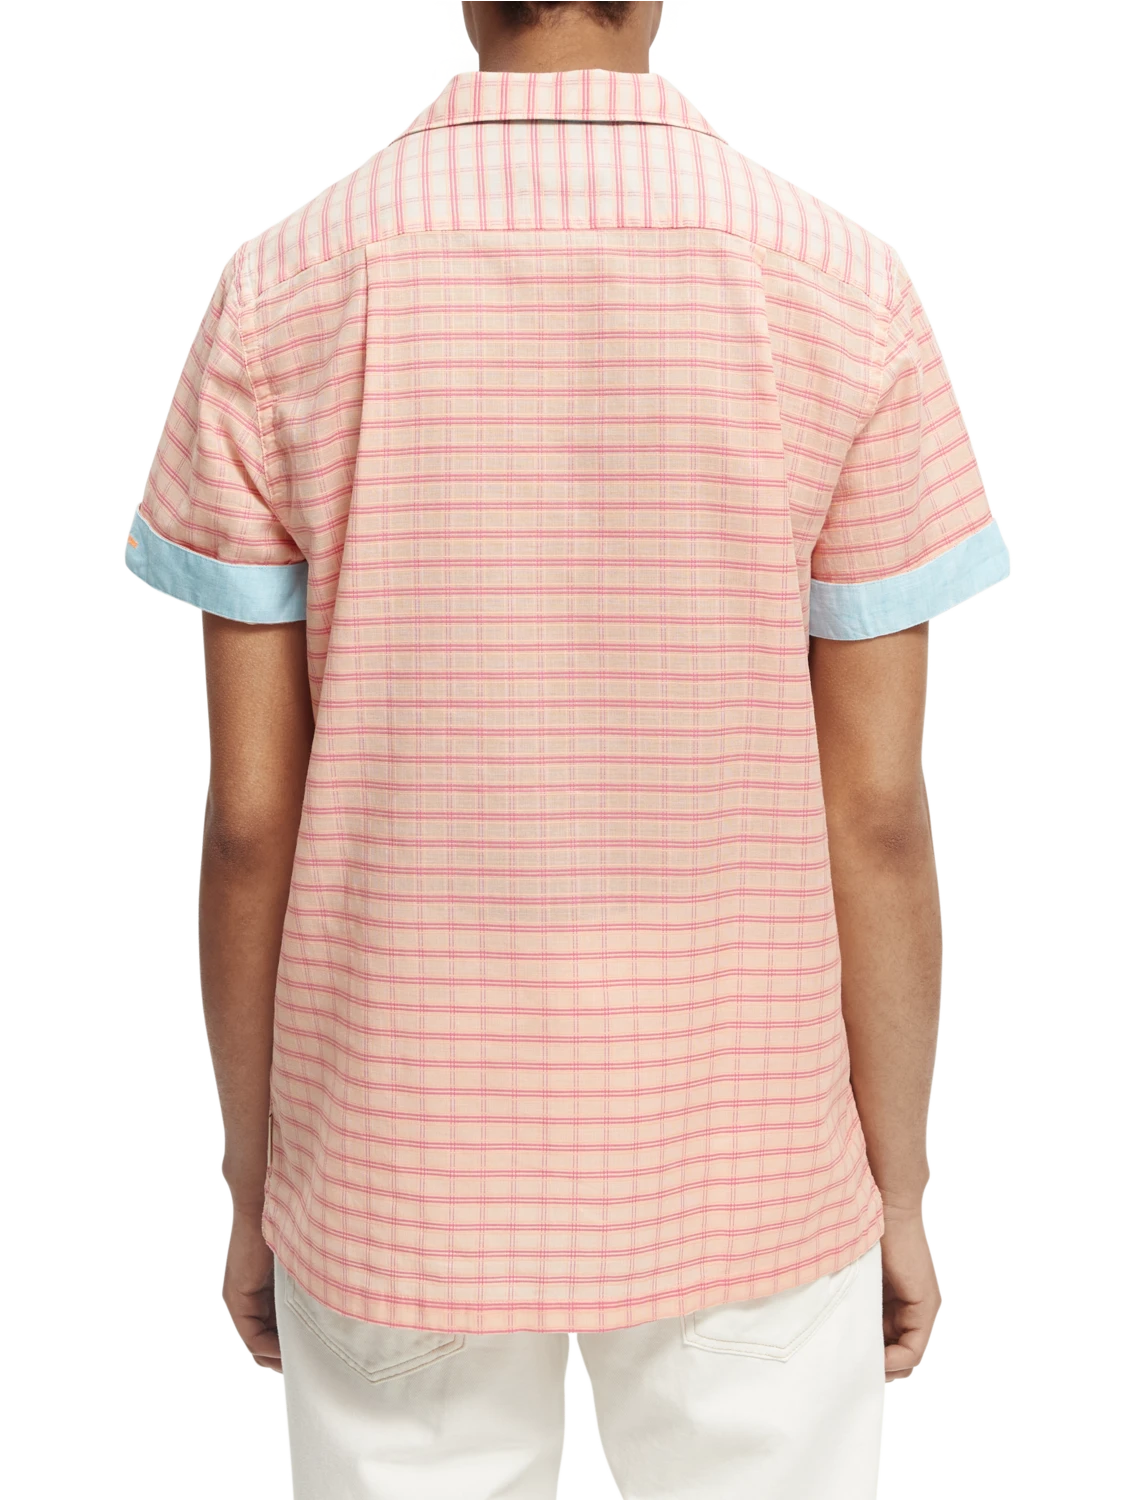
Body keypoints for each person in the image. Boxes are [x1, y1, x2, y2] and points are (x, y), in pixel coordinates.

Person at [123, 1, 1010, 1495]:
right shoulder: (844, 283)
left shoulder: (285, 287)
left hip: (396, 1156)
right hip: (751, 1151)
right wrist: (900, 1192)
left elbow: (252, 822)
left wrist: (261, 1186)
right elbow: (875, 812)